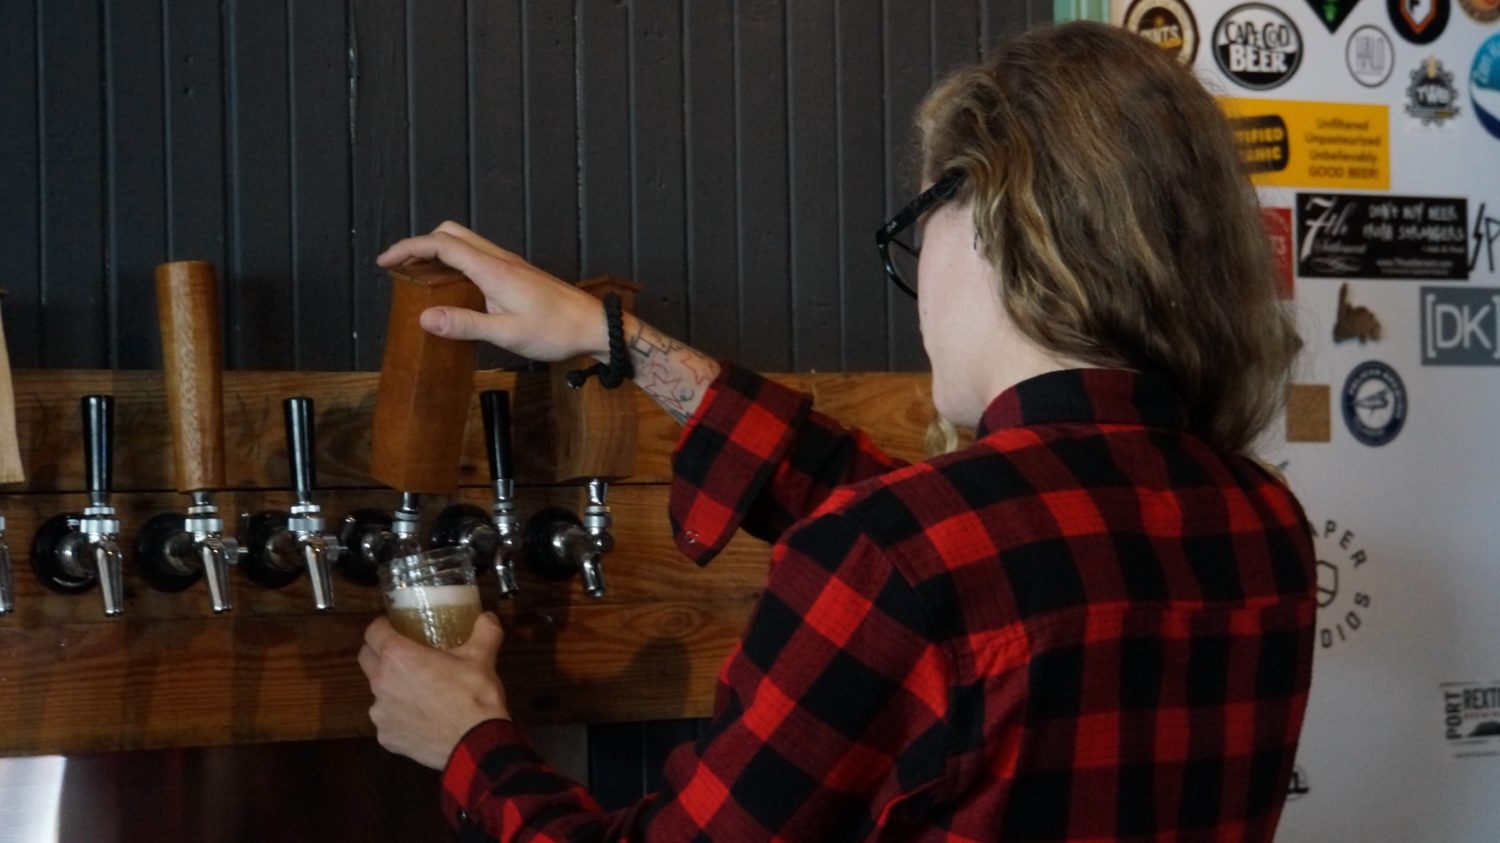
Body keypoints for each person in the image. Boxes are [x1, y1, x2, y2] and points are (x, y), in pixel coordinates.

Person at [358, 20, 1314, 842]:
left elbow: (914, 551)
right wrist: (621, 342)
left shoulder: (906, 557)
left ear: (994, 214)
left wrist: (467, 743)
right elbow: (940, 533)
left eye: (920, 212)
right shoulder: (1262, 522)